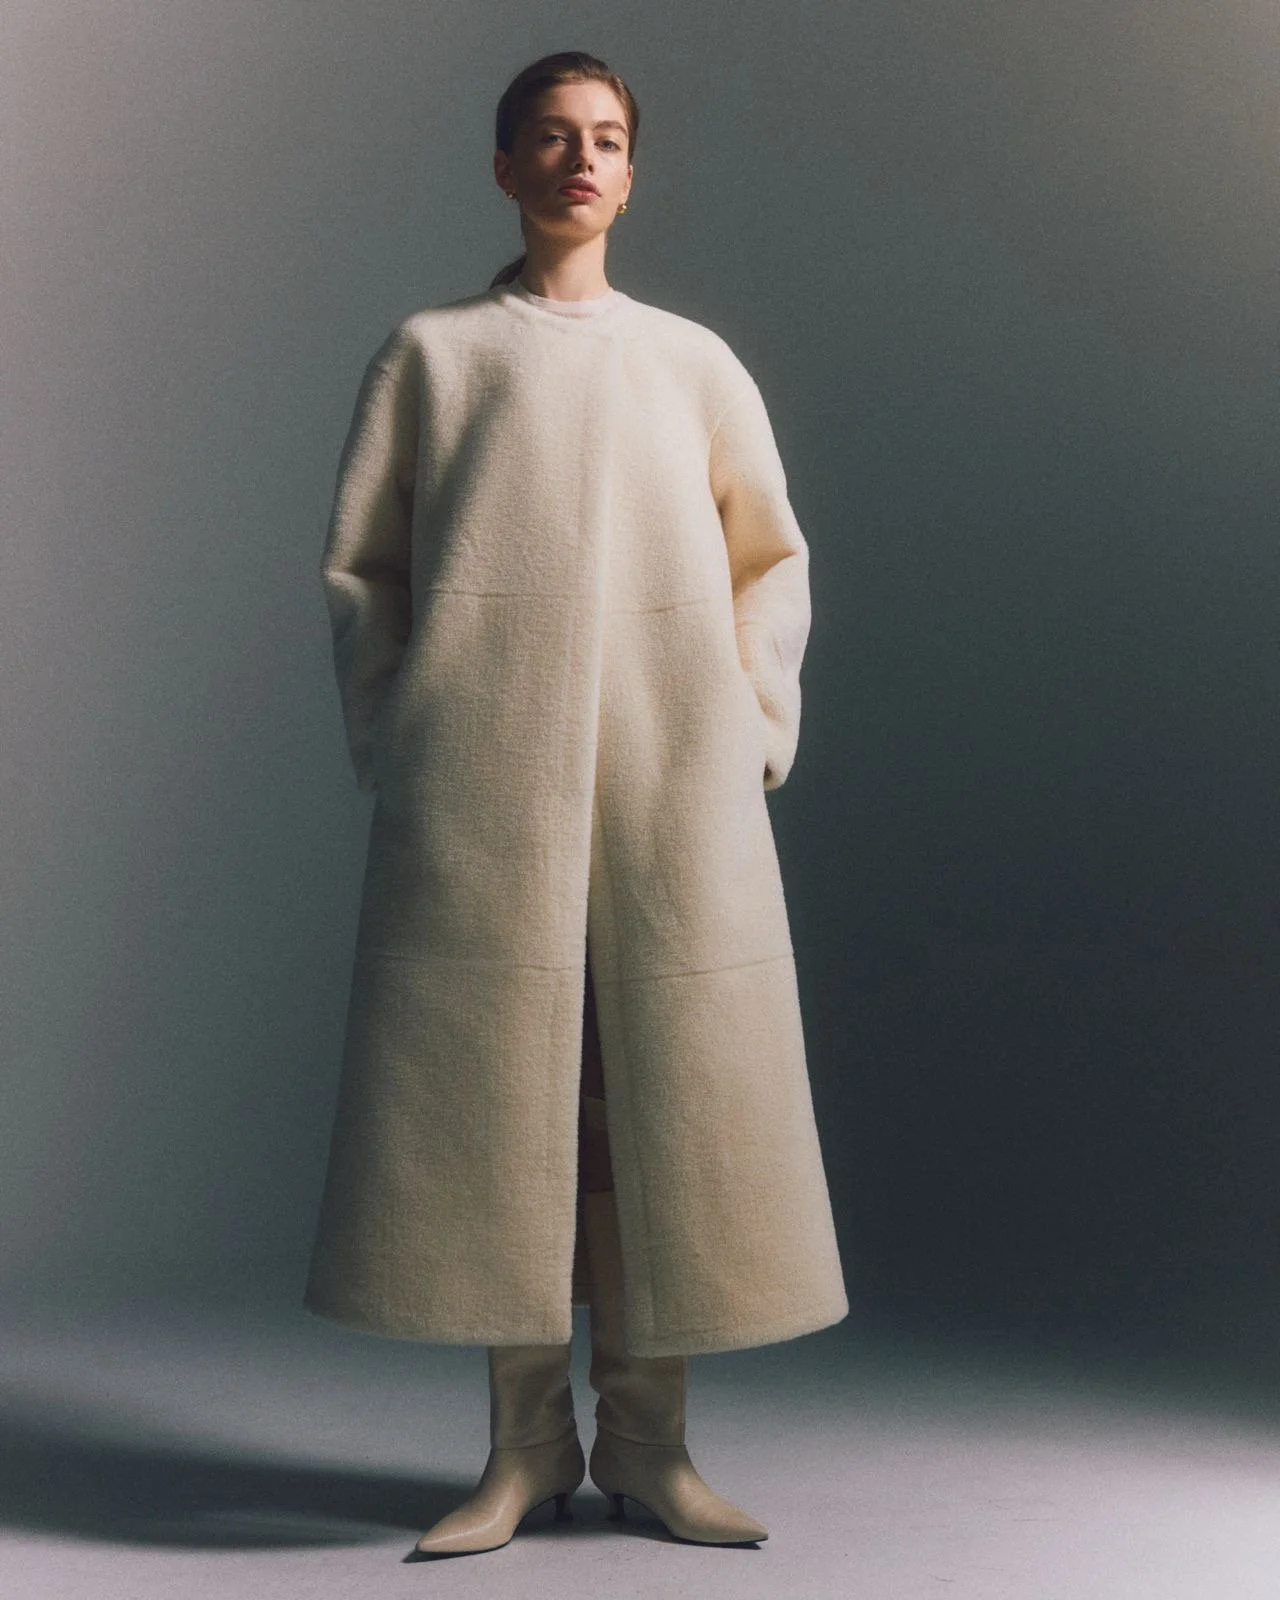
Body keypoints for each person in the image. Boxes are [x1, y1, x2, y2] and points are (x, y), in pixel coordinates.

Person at [305, 50, 848, 1556]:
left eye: (606, 138)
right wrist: (406, 734)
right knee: (504, 1104)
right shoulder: (433, 358)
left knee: (659, 1101)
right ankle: (526, 1446)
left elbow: (769, 563)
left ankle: (652, 1445)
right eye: (550, 138)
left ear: (633, 171)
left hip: (671, 785)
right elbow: (363, 574)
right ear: (504, 167)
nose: (580, 160)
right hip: (487, 791)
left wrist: (750, 729)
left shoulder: (692, 363)